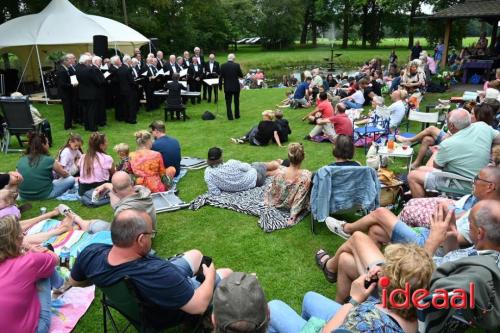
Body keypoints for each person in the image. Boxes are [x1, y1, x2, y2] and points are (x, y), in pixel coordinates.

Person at [69, 209, 233, 331]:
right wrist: (210, 276)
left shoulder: (91, 252)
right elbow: (198, 305)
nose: (151, 236)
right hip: (161, 311)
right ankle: (196, 316)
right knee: (226, 274)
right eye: (150, 234)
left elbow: (75, 281)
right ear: (140, 239)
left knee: (196, 255)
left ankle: (194, 285)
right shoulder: (156, 273)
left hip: (150, 293)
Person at [325, 165, 500, 252]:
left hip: (432, 244)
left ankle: (346, 228)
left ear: (490, 187)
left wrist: (446, 223)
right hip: (430, 233)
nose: (474, 181)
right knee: (376, 230)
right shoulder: (482, 205)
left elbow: (455, 243)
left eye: (478, 179)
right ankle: (373, 275)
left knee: (381, 213)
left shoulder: (488, 215)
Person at [269, 243, 434, 333]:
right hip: (354, 318)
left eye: (385, 267)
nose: (379, 268)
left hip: (346, 324)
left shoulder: (369, 324)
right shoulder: (415, 311)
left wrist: (353, 301)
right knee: (310, 297)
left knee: (273, 307)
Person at [408, 109, 500, 198]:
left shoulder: (448, 143)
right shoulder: (482, 126)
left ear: (451, 126)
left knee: (412, 176)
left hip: (462, 184)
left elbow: (436, 167)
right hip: (483, 181)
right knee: (421, 168)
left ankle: (420, 207)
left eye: (447, 121)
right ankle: (429, 197)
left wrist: (438, 151)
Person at [0, 215, 61, 333]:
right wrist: (36, 249)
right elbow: (55, 259)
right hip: (34, 329)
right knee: (43, 269)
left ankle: (60, 284)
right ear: (18, 238)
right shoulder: (30, 261)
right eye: (21, 233)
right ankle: (61, 285)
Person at [67, 171, 156, 233]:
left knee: (93, 224)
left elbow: (120, 234)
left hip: (134, 242)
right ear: (132, 183)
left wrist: (110, 190)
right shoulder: (143, 190)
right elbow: (120, 200)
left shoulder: (122, 212)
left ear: (115, 190)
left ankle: (77, 219)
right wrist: (107, 186)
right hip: (149, 234)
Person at [17, 133, 75, 200]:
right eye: (47, 143)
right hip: (45, 194)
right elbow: (65, 174)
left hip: (23, 196)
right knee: (71, 179)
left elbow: (17, 179)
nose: (48, 145)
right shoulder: (49, 160)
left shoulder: (21, 160)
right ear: (43, 145)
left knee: (55, 182)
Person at [265, 143, 312, 225]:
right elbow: (299, 198)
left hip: (277, 202)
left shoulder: (280, 171)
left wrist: (267, 200)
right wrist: (292, 217)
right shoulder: (306, 175)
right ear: (303, 157)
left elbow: (273, 189)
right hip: (290, 206)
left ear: (289, 157)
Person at [203, 147, 281, 196]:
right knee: (259, 165)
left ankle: (278, 170)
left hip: (254, 183)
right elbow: (247, 167)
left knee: (266, 173)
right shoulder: (231, 163)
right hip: (255, 177)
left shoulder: (208, 173)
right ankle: (280, 163)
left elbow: (215, 192)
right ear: (220, 156)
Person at [78, 132, 115, 196]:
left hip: (83, 191)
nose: (107, 143)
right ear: (101, 145)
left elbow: (80, 169)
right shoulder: (107, 158)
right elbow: (114, 175)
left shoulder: (83, 157)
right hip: (100, 190)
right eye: (106, 142)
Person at [56, 54, 78, 130]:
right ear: (64, 61)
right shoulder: (62, 70)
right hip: (65, 94)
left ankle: (70, 124)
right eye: (69, 61)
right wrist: (72, 85)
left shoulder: (66, 68)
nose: (70, 62)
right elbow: (62, 84)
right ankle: (67, 126)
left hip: (68, 93)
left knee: (70, 109)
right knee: (67, 110)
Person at [219, 53, 244, 120]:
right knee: (236, 101)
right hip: (235, 86)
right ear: (233, 59)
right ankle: (237, 115)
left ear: (228, 58)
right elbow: (241, 75)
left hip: (227, 86)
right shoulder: (236, 65)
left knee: (228, 102)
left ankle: (230, 117)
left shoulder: (223, 66)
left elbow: (220, 77)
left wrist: (220, 86)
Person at [118, 55, 138, 124]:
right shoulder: (128, 69)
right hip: (130, 90)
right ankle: (132, 119)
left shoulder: (120, 68)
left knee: (125, 105)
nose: (131, 61)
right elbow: (131, 81)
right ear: (127, 61)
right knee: (131, 105)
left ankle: (126, 118)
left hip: (122, 90)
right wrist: (136, 83)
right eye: (130, 60)